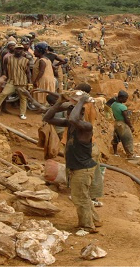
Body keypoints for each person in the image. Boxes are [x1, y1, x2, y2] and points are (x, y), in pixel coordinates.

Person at [43, 94, 100, 233]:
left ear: (81, 113)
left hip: (83, 168)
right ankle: (95, 220)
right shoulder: (70, 123)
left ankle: (87, 226)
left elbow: (74, 119)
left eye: (71, 112)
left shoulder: (85, 127)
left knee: (80, 198)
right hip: (76, 167)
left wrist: (81, 101)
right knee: (83, 195)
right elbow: (47, 118)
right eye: (68, 113)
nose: (68, 116)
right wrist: (59, 102)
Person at [0, 44, 31, 119]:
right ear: (14, 50)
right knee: (3, 94)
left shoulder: (26, 61)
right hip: (11, 81)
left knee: (23, 98)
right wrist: (4, 79)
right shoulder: (8, 59)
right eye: (17, 49)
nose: (19, 50)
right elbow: (5, 70)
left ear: (22, 50)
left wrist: (30, 83)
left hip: (22, 81)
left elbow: (28, 72)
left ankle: (22, 113)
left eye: (20, 49)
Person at [111, 91, 138, 159]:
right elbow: (126, 118)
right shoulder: (122, 107)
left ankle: (115, 153)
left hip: (116, 123)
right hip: (122, 124)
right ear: (121, 97)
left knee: (116, 138)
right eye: (125, 98)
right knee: (128, 138)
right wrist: (131, 126)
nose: (126, 100)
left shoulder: (113, 104)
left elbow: (114, 114)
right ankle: (130, 155)